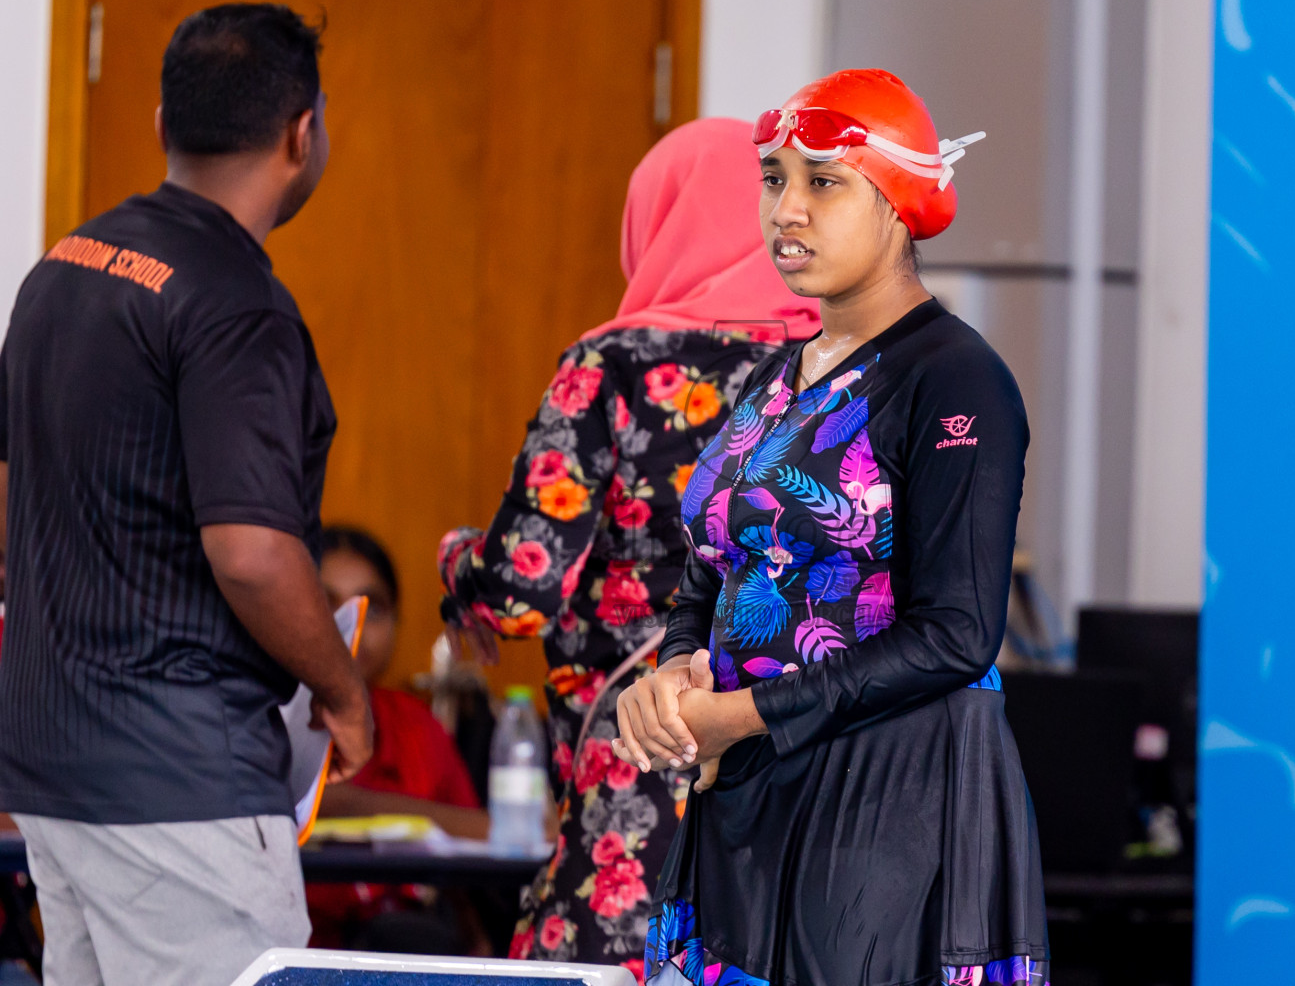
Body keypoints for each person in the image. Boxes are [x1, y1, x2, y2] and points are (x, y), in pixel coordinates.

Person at [613, 69, 1049, 986]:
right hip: (754, 784)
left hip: (890, 801)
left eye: (825, 181)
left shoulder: (956, 379)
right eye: (774, 179)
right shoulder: (777, 377)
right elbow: (710, 574)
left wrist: (737, 716)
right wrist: (674, 672)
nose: (789, 210)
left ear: (899, 205)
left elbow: (958, 636)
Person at [0, 5, 372, 986]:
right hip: (180, 785)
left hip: (52, 769)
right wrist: (341, 688)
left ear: (164, 122)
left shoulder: (62, 269)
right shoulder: (236, 304)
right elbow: (251, 550)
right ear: (304, 133)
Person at [438, 117, 821, 975]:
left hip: (640, 790)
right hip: (805, 799)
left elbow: (516, 591)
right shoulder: (834, 371)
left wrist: (456, 563)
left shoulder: (612, 368)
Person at [307, 526, 488, 952]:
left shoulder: (415, 724)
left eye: (373, 608)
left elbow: (476, 849)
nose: (354, 624)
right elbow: (328, 803)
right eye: (327, 603)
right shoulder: (263, 713)